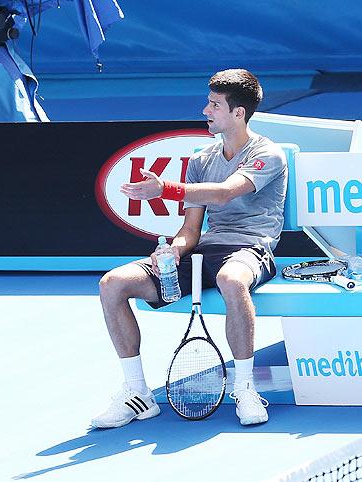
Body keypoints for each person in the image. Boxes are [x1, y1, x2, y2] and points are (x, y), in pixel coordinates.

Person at [92, 69, 287, 428]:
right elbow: (191, 229)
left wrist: (165, 188)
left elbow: (225, 192)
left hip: (250, 248)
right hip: (204, 252)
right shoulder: (201, 160)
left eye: (214, 105)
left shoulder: (267, 154)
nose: (205, 110)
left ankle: (244, 387)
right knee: (112, 284)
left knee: (231, 280)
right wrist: (174, 251)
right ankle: (137, 393)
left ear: (239, 113)